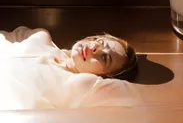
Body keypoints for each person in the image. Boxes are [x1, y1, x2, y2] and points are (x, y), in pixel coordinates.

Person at [0, 27, 139, 109]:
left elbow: (132, 97)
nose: (95, 47)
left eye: (105, 58)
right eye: (99, 41)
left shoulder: (79, 85)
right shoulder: (41, 37)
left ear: (105, 76)